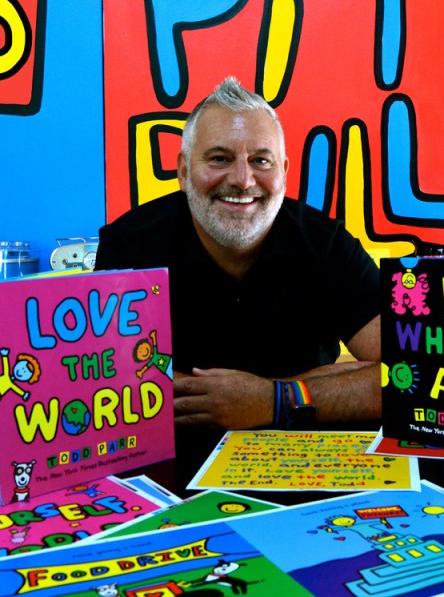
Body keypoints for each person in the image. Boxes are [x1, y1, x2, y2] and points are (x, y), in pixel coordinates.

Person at [94, 76, 380, 433]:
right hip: (171, 470)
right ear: (183, 171)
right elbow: (105, 386)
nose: (243, 179)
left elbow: (415, 375)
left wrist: (275, 398)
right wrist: (324, 386)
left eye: (261, 160)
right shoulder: (130, 245)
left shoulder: (327, 243)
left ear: (284, 173)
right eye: (219, 158)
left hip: (305, 464)